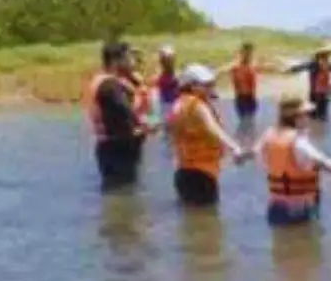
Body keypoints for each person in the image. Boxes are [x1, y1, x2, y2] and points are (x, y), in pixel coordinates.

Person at [259, 94, 331, 226]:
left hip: (275, 206)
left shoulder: (268, 136)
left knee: (283, 244)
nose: (308, 118)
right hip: (299, 208)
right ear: (295, 117)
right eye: (305, 114)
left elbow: (260, 158)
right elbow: (323, 163)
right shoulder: (298, 142)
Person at [166, 65, 250, 208]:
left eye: (212, 84)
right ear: (192, 86)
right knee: (210, 223)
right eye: (206, 85)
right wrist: (235, 147)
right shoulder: (197, 105)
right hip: (202, 175)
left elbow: (170, 130)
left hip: (182, 172)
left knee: (191, 221)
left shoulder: (178, 104)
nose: (211, 87)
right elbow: (213, 128)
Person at [87, 40, 152, 189]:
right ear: (116, 61)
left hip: (119, 149)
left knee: (126, 195)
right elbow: (125, 112)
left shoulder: (121, 82)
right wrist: (150, 125)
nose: (133, 61)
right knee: (121, 194)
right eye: (129, 58)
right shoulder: (109, 86)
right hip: (116, 151)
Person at [225, 42, 260, 120]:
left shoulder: (252, 66)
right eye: (246, 52)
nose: (248, 55)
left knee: (250, 121)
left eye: (250, 53)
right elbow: (222, 71)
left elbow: (268, 68)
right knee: (244, 121)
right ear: (241, 53)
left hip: (251, 98)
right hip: (241, 98)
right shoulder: (235, 66)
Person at [305, 43, 331, 121]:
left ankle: (319, 131)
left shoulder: (326, 63)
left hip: (323, 92)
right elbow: (313, 78)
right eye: (329, 53)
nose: (330, 54)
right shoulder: (315, 63)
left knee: (321, 116)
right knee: (316, 116)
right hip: (317, 93)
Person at [153, 46, 181, 114]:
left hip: (169, 105)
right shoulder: (176, 77)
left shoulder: (176, 76)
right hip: (168, 106)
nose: (168, 63)